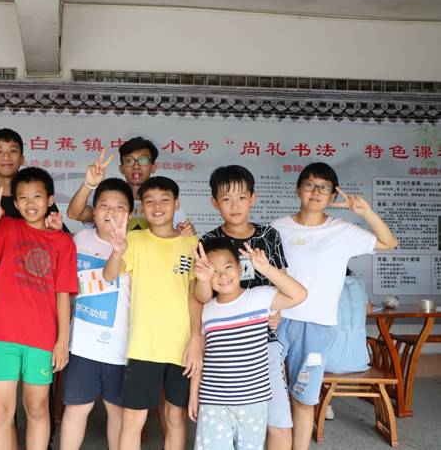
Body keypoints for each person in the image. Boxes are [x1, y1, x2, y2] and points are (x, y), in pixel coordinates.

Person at [271, 162, 397, 450]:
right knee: (271, 397)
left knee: (304, 398)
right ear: (298, 189)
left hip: (318, 327)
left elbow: (389, 242)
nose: (316, 192)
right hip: (277, 322)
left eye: (324, 187)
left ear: (331, 195)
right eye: (309, 185)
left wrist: (364, 212)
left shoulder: (342, 231)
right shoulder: (277, 228)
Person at [0, 167, 78, 450]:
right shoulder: (6, 227)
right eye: (23, 198)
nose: (30, 203)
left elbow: (63, 293)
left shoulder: (63, 242)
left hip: (42, 337)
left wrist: (62, 342)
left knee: (37, 407)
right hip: (1, 334)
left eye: (37, 196)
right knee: (0, 412)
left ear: (50, 200)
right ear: (16, 204)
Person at [103, 176, 202, 450]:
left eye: (164, 200)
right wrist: (117, 251)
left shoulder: (191, 242)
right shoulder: (134, 240)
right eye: (150, 201)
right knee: (133, 418)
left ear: (176, 204)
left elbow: (196, 296)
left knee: (174, 415)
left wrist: (196, 339)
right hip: (143, 346)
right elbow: (109, 275)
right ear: (141, 207)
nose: (157, 207)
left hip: (181, 346)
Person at [199, 165, 292, 450]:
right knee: (225, 422)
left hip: (265, 340)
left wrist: (278, 311)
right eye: (226, 199)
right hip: (225, 343)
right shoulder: (208, 242)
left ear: (253, 197)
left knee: (278, 422)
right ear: (214, 202)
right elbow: (201, 296)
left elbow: (283, 281)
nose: (235, 205)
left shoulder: (269, 236)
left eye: (241, 197)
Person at [189, 238, 307, 450]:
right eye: (214, 270)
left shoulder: (259, 298)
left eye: (228, 267)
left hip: (254, 401)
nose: (222, 275)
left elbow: (299, 295)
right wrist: (193, 394)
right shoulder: (206, 310)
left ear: (240, 267)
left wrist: (267, 269)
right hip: (213, 401)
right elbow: (201, 356)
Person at [59, 178, 133, 450]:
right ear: (94, 211)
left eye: (119, 207)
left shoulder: (137, 244)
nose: (110, 212)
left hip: (121, 347)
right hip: (81, 345)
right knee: (76, 410)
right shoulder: (80, 239)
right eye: (103, 205)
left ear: (130, 214)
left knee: (118, 412)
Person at [66, 138, 189, 231]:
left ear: (153, 167)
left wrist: (188, 231)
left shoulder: (164, 204)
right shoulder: (108, 199)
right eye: (129, 161)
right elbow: (74, 214)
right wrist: (89, 184)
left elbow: (182, 232)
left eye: (143, 160)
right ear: (121, 168)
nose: (136, 166)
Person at [323, 268, 372, 420]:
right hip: (360, 360)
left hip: (329, 364)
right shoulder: (359, 282)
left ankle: (324, 403)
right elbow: (369, 310)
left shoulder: (325, 283)